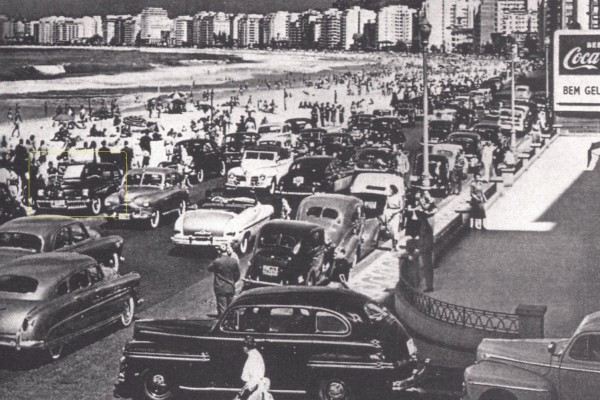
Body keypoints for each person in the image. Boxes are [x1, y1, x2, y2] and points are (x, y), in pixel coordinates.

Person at [208, 244, 241, 316]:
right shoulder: (234, 261)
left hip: (220, 287)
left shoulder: (217, 261)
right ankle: (232, 320)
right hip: (230, 286)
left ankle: (223, 320)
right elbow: (238, 275)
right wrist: (232, 281)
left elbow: (209, 268)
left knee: (222, 308)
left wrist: (217, 257)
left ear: (219, 251)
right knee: (231, 307)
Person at [417, 191, 437, 293]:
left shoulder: (429, 214)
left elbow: (426, 209)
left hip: (427, 245)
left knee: (427, 266)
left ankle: (429, 286)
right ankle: (429, 285)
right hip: (425, 243)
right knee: (426, 266)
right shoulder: (426, 217)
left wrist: (420, 201)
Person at [239, 336, 266, 400]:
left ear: (245, 347)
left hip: (253, 390)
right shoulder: (253, 355)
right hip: (252, 388)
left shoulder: (254, 357)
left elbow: (256, 378)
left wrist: (246, 390)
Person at [384, 185, 404, 251]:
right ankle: (393, 246)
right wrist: (385, 214)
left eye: (391, 189)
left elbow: (401, 207)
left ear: (393, 190)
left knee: (395, 230)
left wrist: (394, 212)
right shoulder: (388, 197)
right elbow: (386, 206)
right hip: (389, 213)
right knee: (391, 231)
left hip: (396, 214)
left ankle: (396, 245)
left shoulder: (399, 197)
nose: (389, 191)